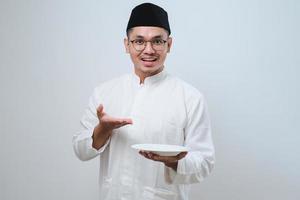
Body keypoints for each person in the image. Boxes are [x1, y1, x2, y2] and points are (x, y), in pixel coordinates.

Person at [73, 3, 215, 200]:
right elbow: (81, 150)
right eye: (139, 41)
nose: (148, 50)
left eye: (157, 41)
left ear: (169, 44)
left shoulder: (190, 98)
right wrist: (102, 130)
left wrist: (173, 161)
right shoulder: (104, 93)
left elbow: (205, 163)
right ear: (127, 44)